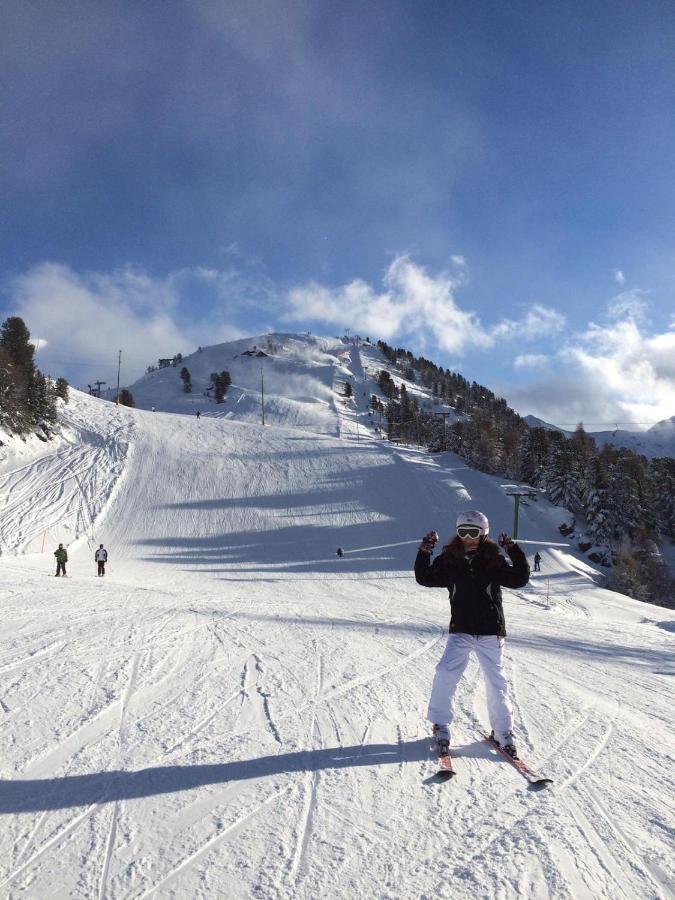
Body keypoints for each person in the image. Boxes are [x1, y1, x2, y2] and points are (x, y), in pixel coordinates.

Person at [415, 510, 529, 759]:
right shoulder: (449, 559)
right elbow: (424, 578)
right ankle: (441, 724)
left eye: (473, 532)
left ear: (483, 534)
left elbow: (520, 578)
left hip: (490, 630)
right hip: (462, 629)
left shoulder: (492, 560)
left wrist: (513, 550)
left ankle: (503, 731)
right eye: (463, 532)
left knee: (496, 681)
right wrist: (425, 552)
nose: (468, 538)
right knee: (446, 672)